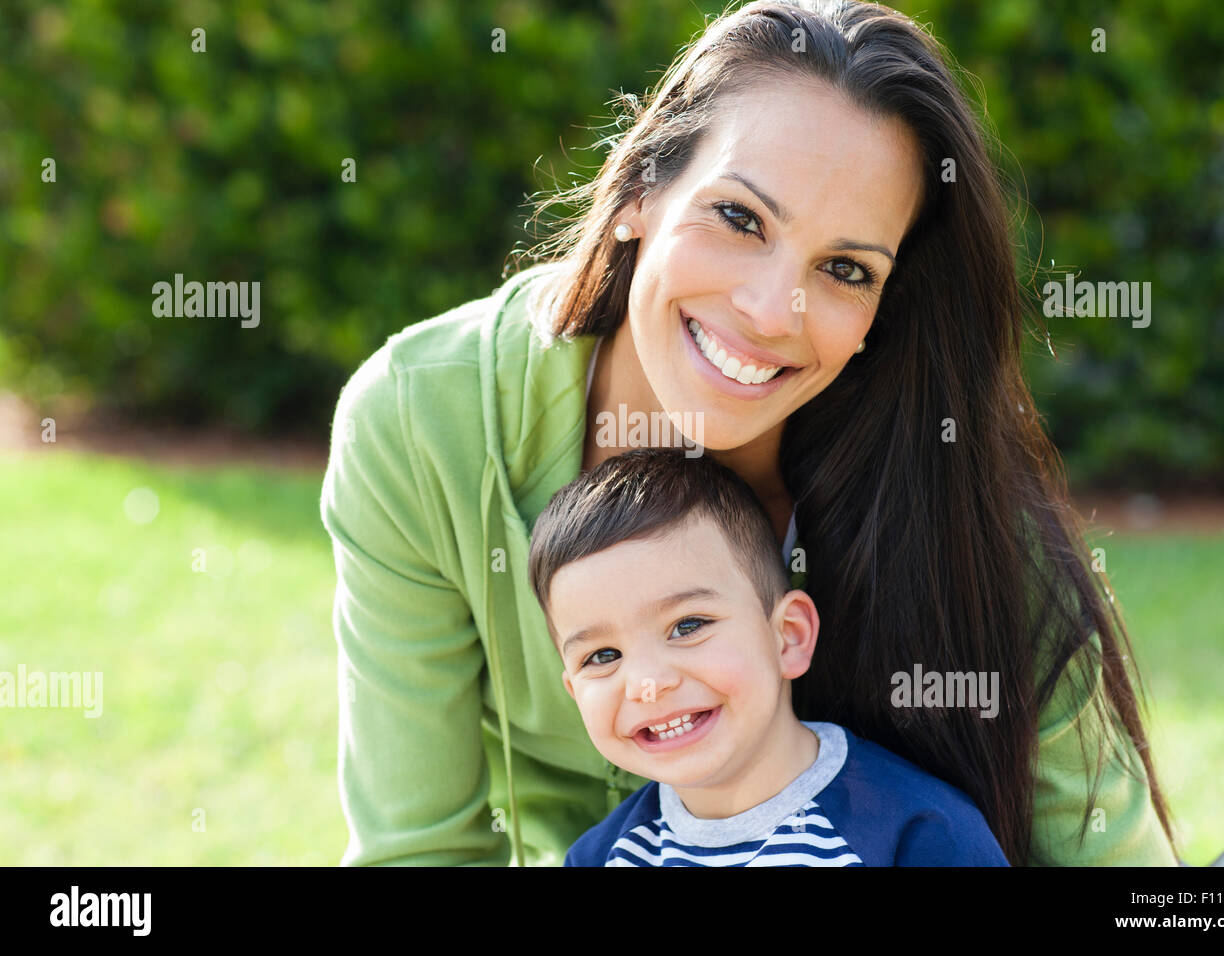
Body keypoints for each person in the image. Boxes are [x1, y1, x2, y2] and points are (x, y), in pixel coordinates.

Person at [320, 0, 1180, 866]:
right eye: (739, 219)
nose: (772, 311)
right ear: (639, 192)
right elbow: (419, 851)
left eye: (844, 269)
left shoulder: (951, 504)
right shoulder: (420, 424)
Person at [528, 446, 1009, 866]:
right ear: (572, 688)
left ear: (788, 637)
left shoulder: (918, 833)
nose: (647, 683)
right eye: (602, 655)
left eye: (687, 626)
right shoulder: (599, 857)